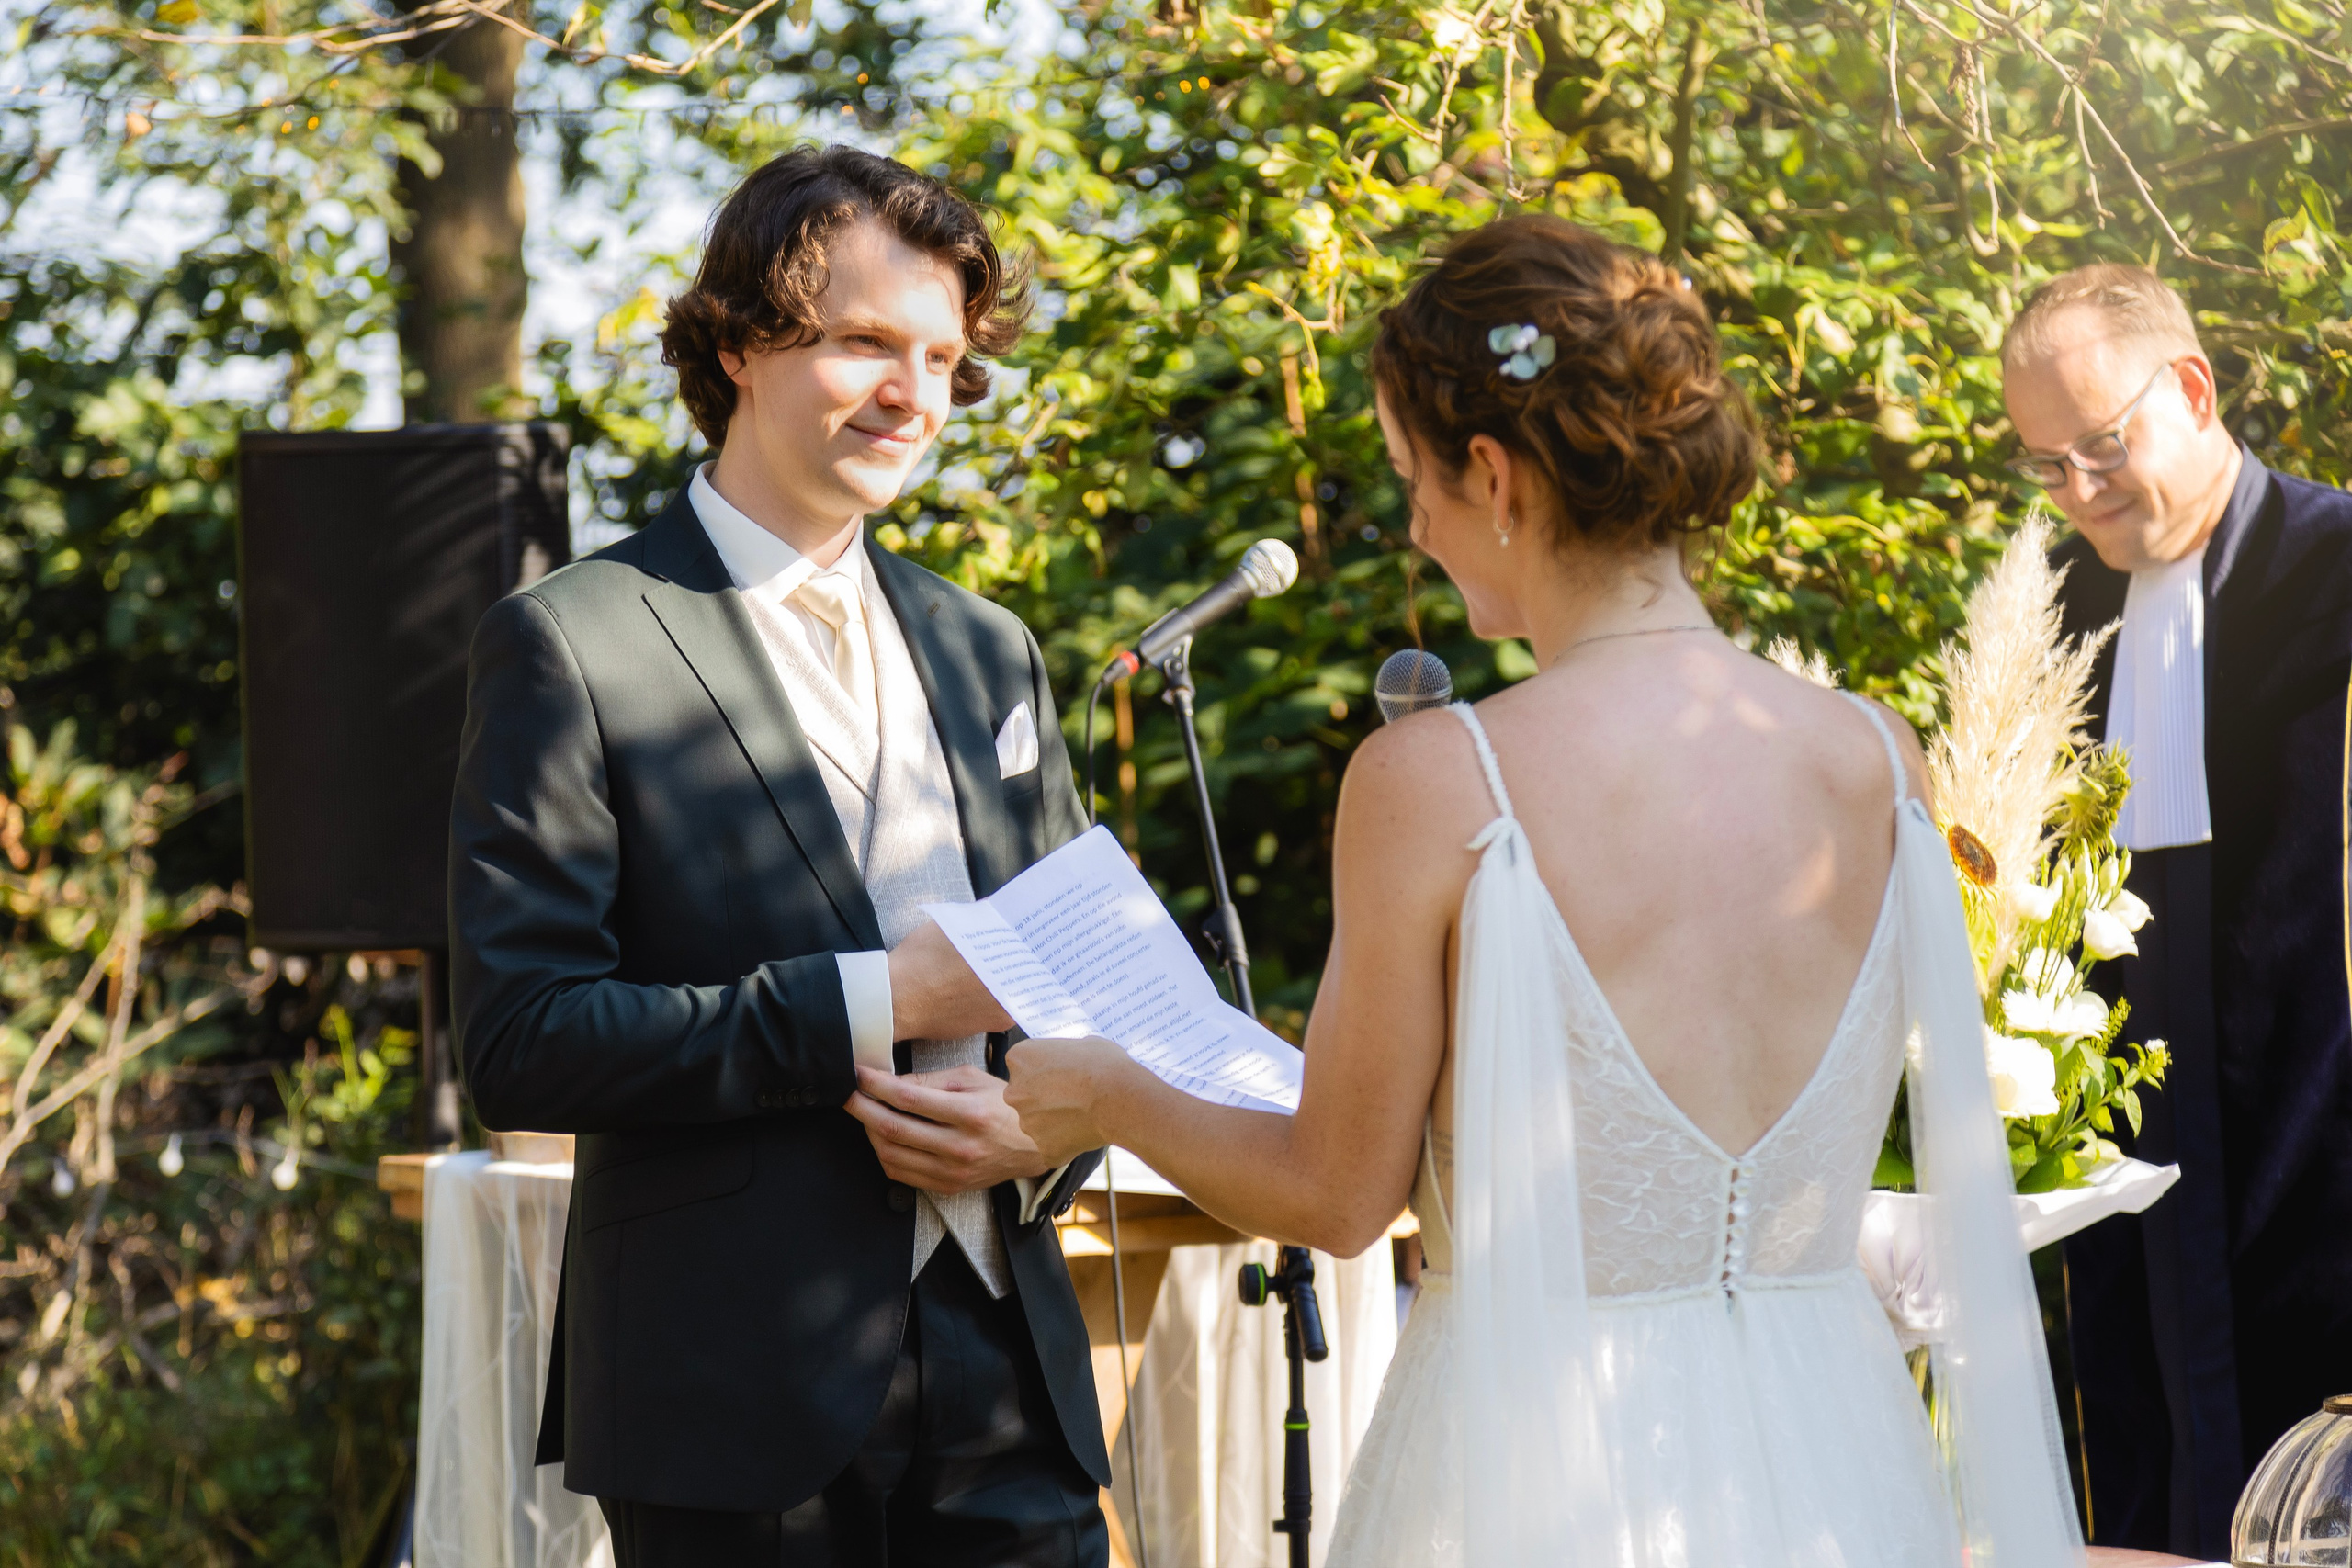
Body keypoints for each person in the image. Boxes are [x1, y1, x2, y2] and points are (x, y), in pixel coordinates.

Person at [1004, 215, 2082, 1566]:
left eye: (1414, 482)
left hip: (1543, 1468)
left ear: (1498, 479)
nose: (1414, 527)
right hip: (1839, 1459)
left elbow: (1338, 1196)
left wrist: (1104, 1092)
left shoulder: (1438, 780)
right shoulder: (1873, 756)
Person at [448, 146, 1111, 1568]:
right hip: (726, 1387)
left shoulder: (992, 650)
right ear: (742, 343)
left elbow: (1080, 979)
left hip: (1012, 1367)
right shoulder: (575, 636)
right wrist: (879, 1002)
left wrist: (1051, 1128)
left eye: (940, 358)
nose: (915, 397)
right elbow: (523, 1040)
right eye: (867, 342)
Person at [2002, 265, 2352, 1559]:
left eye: (2104, 445)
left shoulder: (2336, 568)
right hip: (2128, 1147)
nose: (2082, 492)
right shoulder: (2051, 612)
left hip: (2318, 1125)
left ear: (2192, 390)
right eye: (2046, 466)